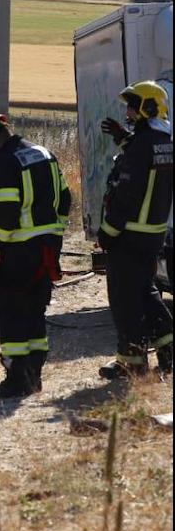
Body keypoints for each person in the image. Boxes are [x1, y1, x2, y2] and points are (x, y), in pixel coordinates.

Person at [0, 112, 71, 399]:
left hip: (19, 250)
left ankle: (16, 380)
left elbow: (9, 216)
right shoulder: (44, 153)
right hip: (48, 249)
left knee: (11, 312)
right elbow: (65, 198)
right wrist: (56, 232)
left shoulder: (5, 165)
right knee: (36, 310)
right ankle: (34, 377)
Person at [97, 80, 173, 379]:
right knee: (146, 291)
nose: (128, 112)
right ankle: (169, 350)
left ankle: (133, 363)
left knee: (124, 298)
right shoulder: (164, 141)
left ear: (148, 107)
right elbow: (148, 160)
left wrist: (108, 231)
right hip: (152, 234)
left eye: (132, 105)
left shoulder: (142, 145)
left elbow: (127, 192)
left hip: (128, 234)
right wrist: (123, 138)